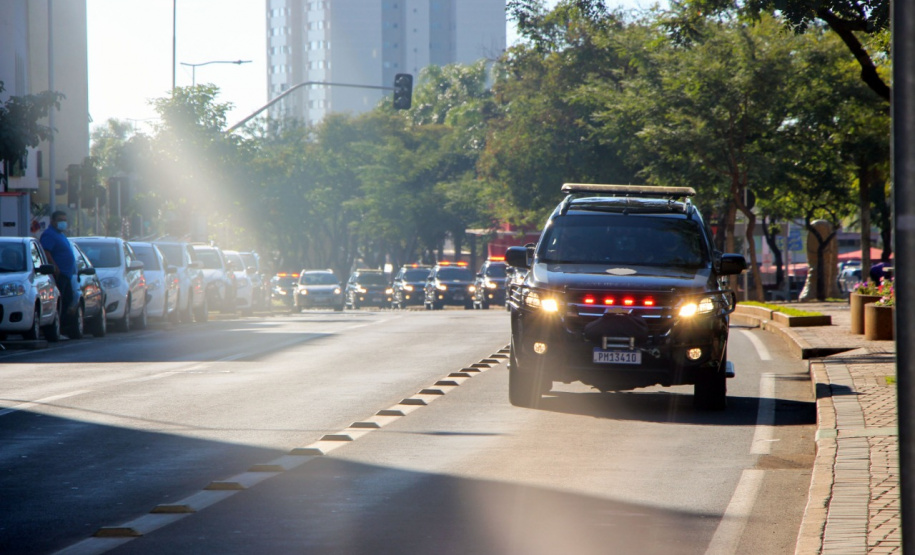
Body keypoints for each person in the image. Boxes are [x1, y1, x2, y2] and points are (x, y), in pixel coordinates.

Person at [40, 211, 77, 314]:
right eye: (60, 220)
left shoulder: (60, 234)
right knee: (60, 303)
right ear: (52, 221)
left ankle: (63, 325)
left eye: (65, 220)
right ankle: (59, 325)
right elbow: (46, 252)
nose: (63, 222)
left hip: (66, 275)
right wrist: (55, 267)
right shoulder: (49, 234)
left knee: (67, 300)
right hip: (58, 275)